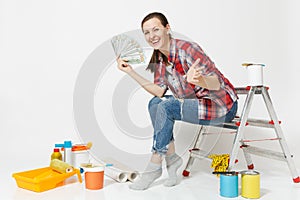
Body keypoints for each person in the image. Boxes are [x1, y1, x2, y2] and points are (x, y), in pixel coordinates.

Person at [117, 12, 238, 190]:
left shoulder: (187, 49)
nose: (152, 36)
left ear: (167, 28)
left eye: (156, 29)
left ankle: (154, 166)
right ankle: (172, 159)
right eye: (147, 32)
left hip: (221, 105)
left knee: (166, 107)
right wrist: (130, 72)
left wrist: (199, 80)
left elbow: (216, 83)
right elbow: (159, 91)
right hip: (195, 104)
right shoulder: (159, 58)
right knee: (155, 104)